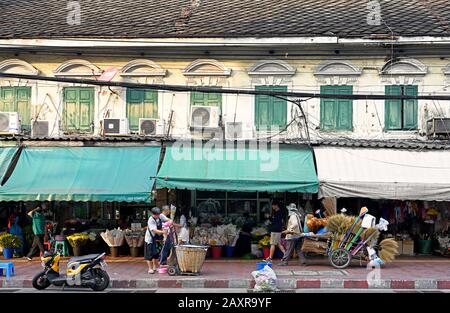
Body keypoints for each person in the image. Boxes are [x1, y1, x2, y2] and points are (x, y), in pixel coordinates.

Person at [144, 207, 168, 274]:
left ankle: (155, 267)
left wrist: (169, 222)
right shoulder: (150, 220)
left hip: (155, 239)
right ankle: (150, 268)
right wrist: (163, 232)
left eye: (158, 214)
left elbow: (167, 220)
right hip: (149, 239)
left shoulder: (160, 216)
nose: (158, 216)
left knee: (155, 253)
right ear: (152, 214)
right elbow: (154, 230)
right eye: (156, 215)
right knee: (149, 255)